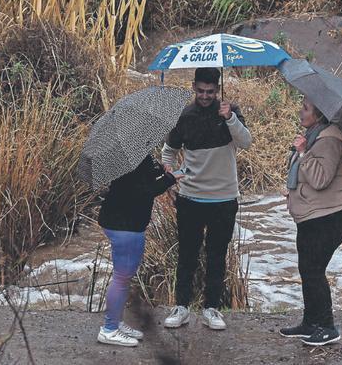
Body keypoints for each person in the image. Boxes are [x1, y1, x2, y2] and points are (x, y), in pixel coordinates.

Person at [161, 67, 252, 330]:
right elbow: (169, 151)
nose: (205, 96)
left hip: (224, 199)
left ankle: (211, 308)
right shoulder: (184, 116)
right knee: (187, 255)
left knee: (217, 254)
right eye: (200, 91)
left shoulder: (230, 111)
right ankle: (181, 307)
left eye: (210, 91)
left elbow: (246, 142)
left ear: (217, 89)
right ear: (193, 87)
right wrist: (169, 177)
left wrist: (230, 118)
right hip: (190, 197)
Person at [280, 97, 342, 346]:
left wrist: (302, 153)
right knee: (306, 269)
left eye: (306, 108)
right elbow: (305, 175)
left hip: (329, 216)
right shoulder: (314, 135)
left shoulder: (330, 140)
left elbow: (321, 179)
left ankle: (327, 327)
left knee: (314, 270)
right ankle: (311, 322)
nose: (300, 111)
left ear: (319, 115)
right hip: (313, 215)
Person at [97, 154, 183, 347]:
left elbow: (143, 176)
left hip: (122, 220)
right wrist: (170, 178)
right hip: (124, 223)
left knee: (124, 277)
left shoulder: (133, 154)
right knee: (121, 277)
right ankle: (109, 330)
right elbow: (144, 190)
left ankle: (116, 322)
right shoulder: (127, 157)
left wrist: (161, 169)